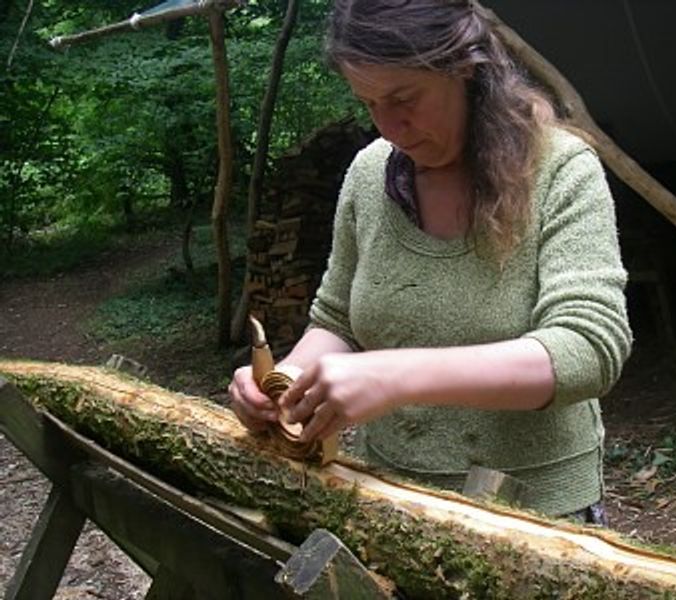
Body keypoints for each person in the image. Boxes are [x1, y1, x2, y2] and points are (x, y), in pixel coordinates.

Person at [228, 0, 632, 523]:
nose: (390, 127)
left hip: (536, 516)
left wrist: (397, 375)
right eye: (369, 103)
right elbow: (337, 321)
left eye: (404, 98)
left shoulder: (560, 169)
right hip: (386, 495)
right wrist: (286, 382)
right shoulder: (370, 176)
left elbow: (589, 349)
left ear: (463, 67)